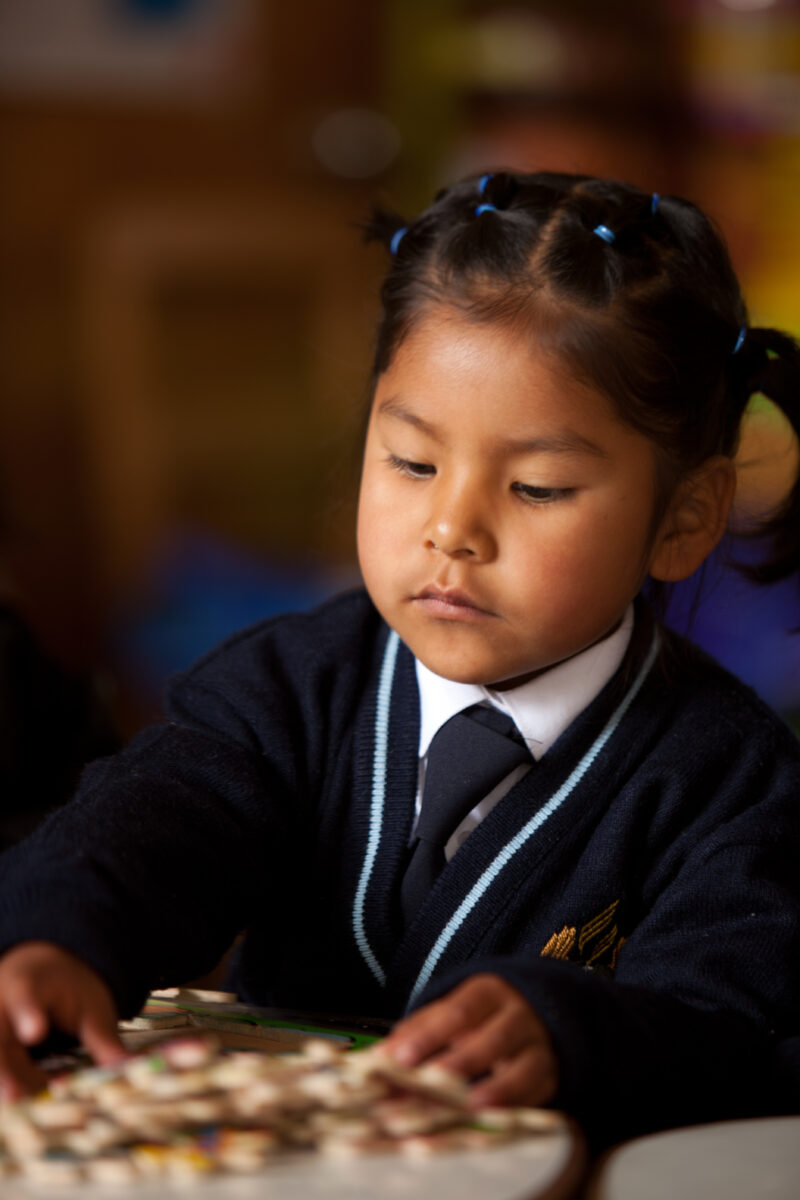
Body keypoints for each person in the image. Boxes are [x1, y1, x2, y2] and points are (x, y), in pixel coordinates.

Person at [0, 171, 798, 1149]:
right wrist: (55, 936)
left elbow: (729, 1021)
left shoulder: (735, 783)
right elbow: (154, 829)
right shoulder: (286, 690)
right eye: (413, 463)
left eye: (538, 487)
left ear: (684, 519)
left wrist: (573, 1032)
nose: (450, 529)